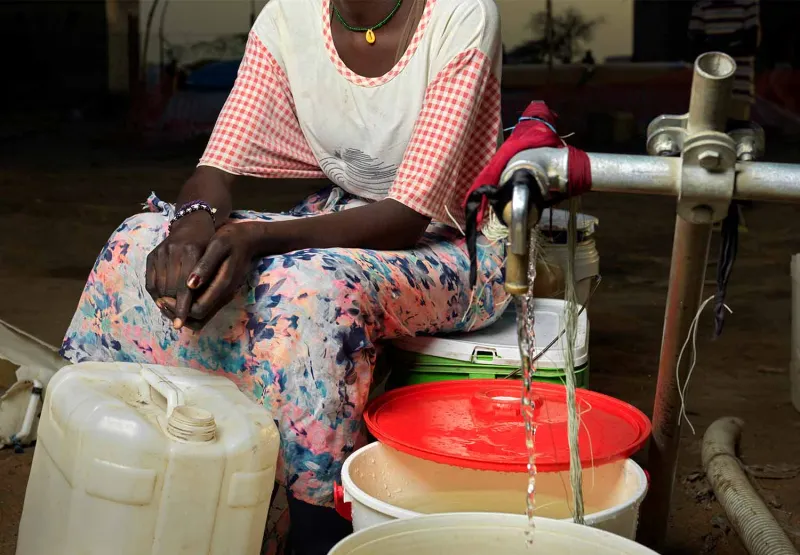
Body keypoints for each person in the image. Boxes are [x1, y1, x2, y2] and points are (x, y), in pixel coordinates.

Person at [60, 0, 507, 553]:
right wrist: (190, 228)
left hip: (449, 244)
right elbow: (215, 168)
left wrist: (254, 239)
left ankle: (315, 526)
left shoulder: (460, 15)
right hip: (334, 217)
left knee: (311, 294)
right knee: (137, 243)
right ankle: (152, 465)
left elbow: (407, 216)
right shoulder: (287, 19)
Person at [689, 0, 761, 229]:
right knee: (711, 142)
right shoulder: (703, 6)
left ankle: (736, 210)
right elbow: (693, 44)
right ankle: (715, 204)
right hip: (708, 89)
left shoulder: (747, 3)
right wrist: (732, 41)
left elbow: (751, 43)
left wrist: (716, 47)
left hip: (738, 84)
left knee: (738, 142)